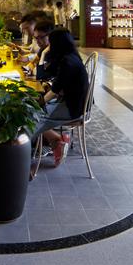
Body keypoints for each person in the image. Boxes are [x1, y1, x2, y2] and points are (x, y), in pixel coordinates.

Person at [35, 28, 89, 167]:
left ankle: (22, 156)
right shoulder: (69, 56)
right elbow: (42, 76)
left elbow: (54, 90)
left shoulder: (68, 62)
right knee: (33, 114)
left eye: (51, 43)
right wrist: (43, 54)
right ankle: (57, 141)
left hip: (74, 108)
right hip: (71, 103)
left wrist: (40, 102)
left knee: (33, 116)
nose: (49, 46)